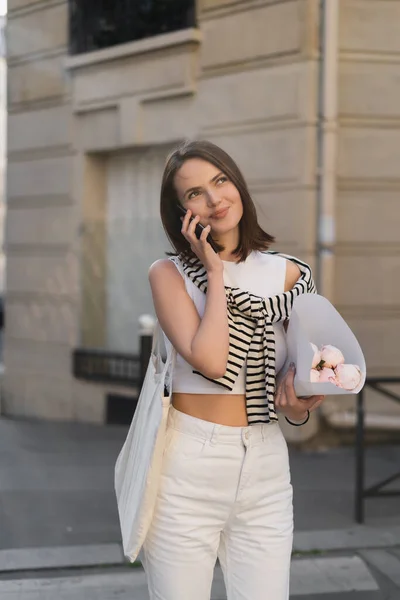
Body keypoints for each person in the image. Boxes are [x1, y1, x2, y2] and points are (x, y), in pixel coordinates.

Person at [143, 140, 325, 600]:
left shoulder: (289, 277)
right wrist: (215, 271)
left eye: (221, 181)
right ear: (182, 213)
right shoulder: (169, 275)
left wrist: (299, 404)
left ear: (237, 182)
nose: (215, 199)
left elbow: (299, 376)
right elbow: (211, 360)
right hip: (187, 466)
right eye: (195, 193)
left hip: (264, 461)